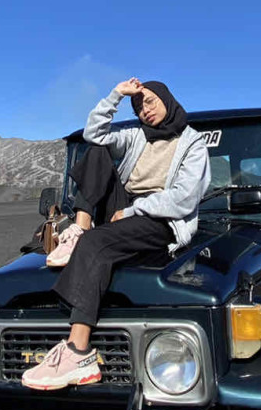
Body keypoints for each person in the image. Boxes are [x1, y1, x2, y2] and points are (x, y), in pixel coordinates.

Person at [21, 78, 211, 390]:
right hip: (122, 209)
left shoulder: (193, 144)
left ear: (166, 99)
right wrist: (116, 95)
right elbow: (93, 134)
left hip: (161, 219)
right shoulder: (137, 134)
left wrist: (134, 210)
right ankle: (80, 227)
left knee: (97, 243)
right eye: (138, 106)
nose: (144, 110)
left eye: (149, 101)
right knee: (97, 150)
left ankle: (78, 351)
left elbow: (184, 198)